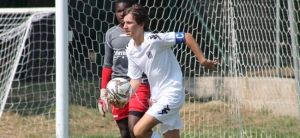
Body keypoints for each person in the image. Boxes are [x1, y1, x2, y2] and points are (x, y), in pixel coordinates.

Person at [119, 4, 217, 138]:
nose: (124, 26)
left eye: (129, 23)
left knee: (139, 131)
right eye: (124, 23)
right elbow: (136, 80)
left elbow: (186, 37)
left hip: (172, 95)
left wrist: (203, 61)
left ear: (141, 24)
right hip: (158, 98)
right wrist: (123, 97)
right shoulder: (130, 49)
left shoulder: (153, 40)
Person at [98, 1, 151, 138]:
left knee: (135, 130)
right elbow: (107, 64)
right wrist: (103, 94)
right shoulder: (111, 34)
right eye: (118, 11)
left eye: (125, 10)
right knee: (125, 132)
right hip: (117, 87)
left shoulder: (145, 35)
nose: (121, 14)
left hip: (140, 84)